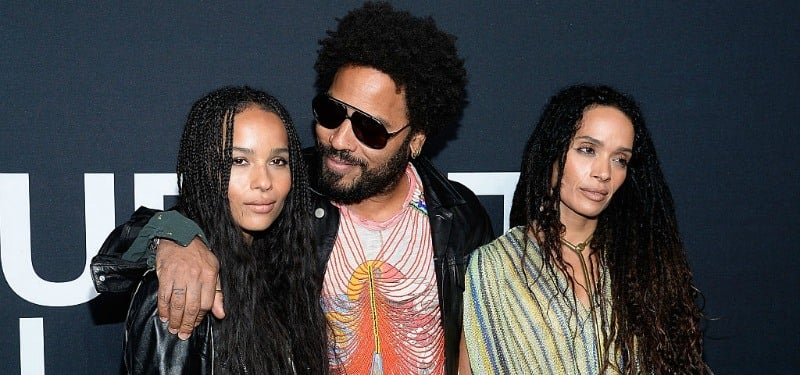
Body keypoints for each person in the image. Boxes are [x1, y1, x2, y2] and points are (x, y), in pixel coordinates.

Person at [91, 3, 494, 375]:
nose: (339, 140)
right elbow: (145, 240)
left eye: (369, 129)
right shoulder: (291, 192)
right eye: (331, 112)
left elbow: (477, 348)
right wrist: (174, 239)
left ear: (416, 139)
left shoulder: (459, 218)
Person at [461, 84, 708, 373]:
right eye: (587, 150)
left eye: (620, 160)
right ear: (552, 151)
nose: (604, 173)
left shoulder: (642, 264)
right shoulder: (495, 266)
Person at [119, 86, 327, 374]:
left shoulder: (285, 268)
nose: (264, 181)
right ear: (205, 170)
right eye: (239, 161)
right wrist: (168, 237)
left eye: (278, 161)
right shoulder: (182, 284)